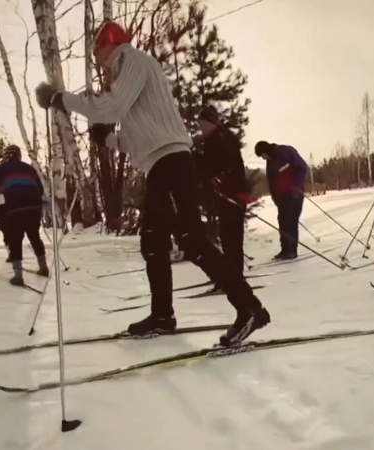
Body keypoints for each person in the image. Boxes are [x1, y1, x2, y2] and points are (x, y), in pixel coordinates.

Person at [34, 21, 269, 346]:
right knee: (153, 242)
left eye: (97, 49)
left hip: (171, 162)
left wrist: (62, 99)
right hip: (160, 164)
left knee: (192, 239)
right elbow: (134, 139)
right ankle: (162, 315)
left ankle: (250, 308)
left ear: (110, 43)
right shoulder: (125, 79)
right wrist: (109, 139)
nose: (95, 57)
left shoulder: (133, 62)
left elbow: (112, 107)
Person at [194, 105, 251, 294]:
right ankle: (232, 276)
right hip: (228, 194)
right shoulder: (216, 139)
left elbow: (226, 165)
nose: (200, 127)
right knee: (228, 236)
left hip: (232, 195)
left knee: (231, 237)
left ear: (210, 122)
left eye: (202, 123)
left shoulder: (220, 138)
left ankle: (234, 278)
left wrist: (219, 181)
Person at [0, 145, 49, 286]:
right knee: (34, 236)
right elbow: (40, 187)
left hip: (14, 207)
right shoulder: (29, 168)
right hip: (34, 206)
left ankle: (18, 276)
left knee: (15, 238)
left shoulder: (1, 169)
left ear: (7, 156)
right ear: (19, 155)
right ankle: (43, 267)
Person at [255, 141, 308, 260]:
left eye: (262, 155)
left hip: (294, 193)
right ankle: (285, 249)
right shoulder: (270, 162)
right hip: (282, 197)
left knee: (291, 221)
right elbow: (271, 181)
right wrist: (275, 197)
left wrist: (296, 184)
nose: (263, 158)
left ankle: (291, 250)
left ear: (266, 150)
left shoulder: (287, 152)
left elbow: (302, 167)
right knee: (282, 222)